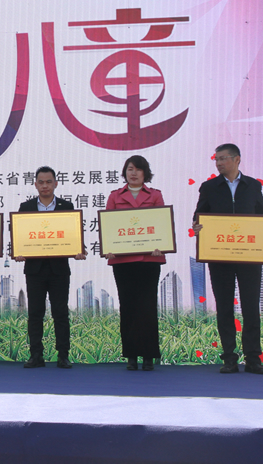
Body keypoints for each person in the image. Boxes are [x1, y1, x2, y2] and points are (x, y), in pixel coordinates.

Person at [193, 143, 263, 375]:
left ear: (237, 159)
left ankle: (253, 359)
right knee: (224, 307)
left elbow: (261, 214)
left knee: (251, 307)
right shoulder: (209, 187)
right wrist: (197, 226)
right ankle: (229, 359)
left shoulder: (253, 185)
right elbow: (199, 215)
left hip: (249, 256)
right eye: (216, 159)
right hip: (219, 256)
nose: (219, 163)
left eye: (223, 158)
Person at [15, 166, 86, 369]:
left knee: (60, 313)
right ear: (35, 184)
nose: (45, 185)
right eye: (41, 182)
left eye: (48, 182)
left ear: (55, 183)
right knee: (35, 314)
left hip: (59, 270)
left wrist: (78, 250)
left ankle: (63, 355)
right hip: (34, 270)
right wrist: (19, 251)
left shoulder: (66, 206)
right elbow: (21, 236)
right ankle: (36, 355)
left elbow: (72, 236)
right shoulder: (26, 207)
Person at [103, 156, 165, 371]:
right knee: (127, 306)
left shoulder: (155, 195)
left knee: (147, 307)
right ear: (125, 172)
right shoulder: (115, 196)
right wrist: (109, 246)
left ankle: (149, 356)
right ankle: (131, 355)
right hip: (123, 260)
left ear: (145, 173)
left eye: (138, 169)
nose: (134, 173)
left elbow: (160, 225)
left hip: (149, 259)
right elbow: (109, 225)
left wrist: (160, 244)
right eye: (130, 169)